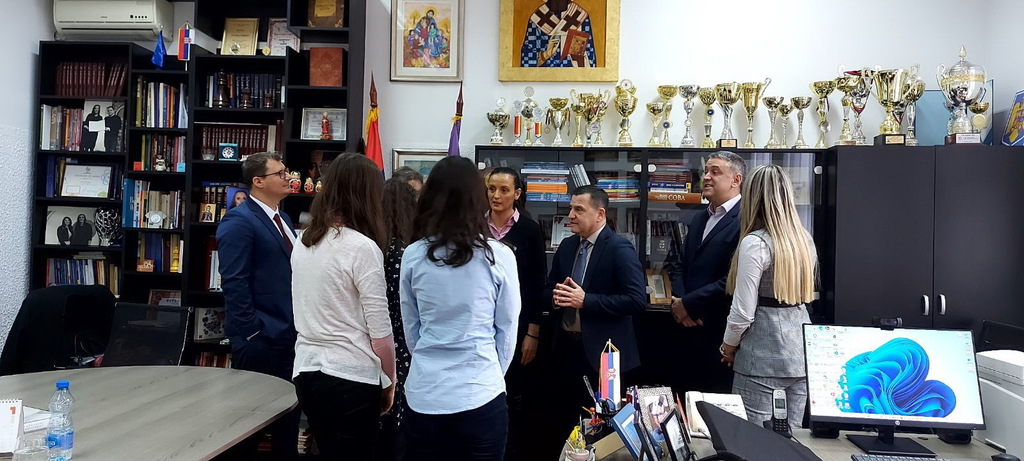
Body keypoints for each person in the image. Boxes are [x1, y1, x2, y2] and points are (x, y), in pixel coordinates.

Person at [400, 156, 520, 461]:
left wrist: (430, 360)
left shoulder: (413, 255)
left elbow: (411, 328)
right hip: (480, 391)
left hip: (426, 392)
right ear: (477, 199)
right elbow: (507, 329)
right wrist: (491, 374)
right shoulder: (499, 256)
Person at [291, 153, 396, 460]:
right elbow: (380, 332)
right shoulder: (362, 247)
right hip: (352, 375)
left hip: (307, 370)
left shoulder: (303, 241)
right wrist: (389, 381)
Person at [544, 185, 647, 455]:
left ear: (600, 214)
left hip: (603, 357)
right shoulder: (567, 246)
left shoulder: (619, 248)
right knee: (564, 421)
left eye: (579, 209)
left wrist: (586, 300)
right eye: (571, 208)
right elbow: (549, 288)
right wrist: (556, 297)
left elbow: (636, 300)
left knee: (601, 430)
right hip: (565, 349)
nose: (571, 215)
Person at [215, 152, 300, 461]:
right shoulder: (239, 220)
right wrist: (251, 330)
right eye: (280, 173)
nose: (288, 177)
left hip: (288, 334)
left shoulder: (283, 219)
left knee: (288, 418)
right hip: (259, 337)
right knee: (250, 423)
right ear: (258, 181)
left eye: (287, 171)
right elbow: (234, 281)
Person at [719, 164, 817, 428]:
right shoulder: (804, 240)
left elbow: (742, 313)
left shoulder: (755, 243)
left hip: (760, 358)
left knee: (753, 440)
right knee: (792, 439)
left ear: (752, 198)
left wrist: (728, 348)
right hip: (801, 354)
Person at [668, 151, 746, 395]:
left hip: (720, 334)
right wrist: (681, 304)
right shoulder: (699, 218)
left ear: (736, 180)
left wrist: (688, 305)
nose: (707, 177)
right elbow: (678, 264)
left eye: (715, 172)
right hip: (685, 329)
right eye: (706, 172)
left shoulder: (745, 218)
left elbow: (734, 279)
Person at [485, 167, 547, 461]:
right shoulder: (475, 225)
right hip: (481, 325)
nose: (496, 196)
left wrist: (533, 332)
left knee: (514, 394)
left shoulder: (529, 230)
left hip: (517, 325)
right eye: (491, 189)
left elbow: (537, 284)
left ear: (517, 194)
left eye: (504, 190)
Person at [375, 177, 418, 461]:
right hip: (405, 343)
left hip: (375, 341)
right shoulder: (411, 252)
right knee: (401, 425)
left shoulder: (372, 247)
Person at [520, 0, 597, 68]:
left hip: (572, 76)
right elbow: (527, 59)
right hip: (545, 76)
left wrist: (578, 57)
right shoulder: (538, 17)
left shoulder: (580, 16)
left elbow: (590, 58)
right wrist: (546, 54)